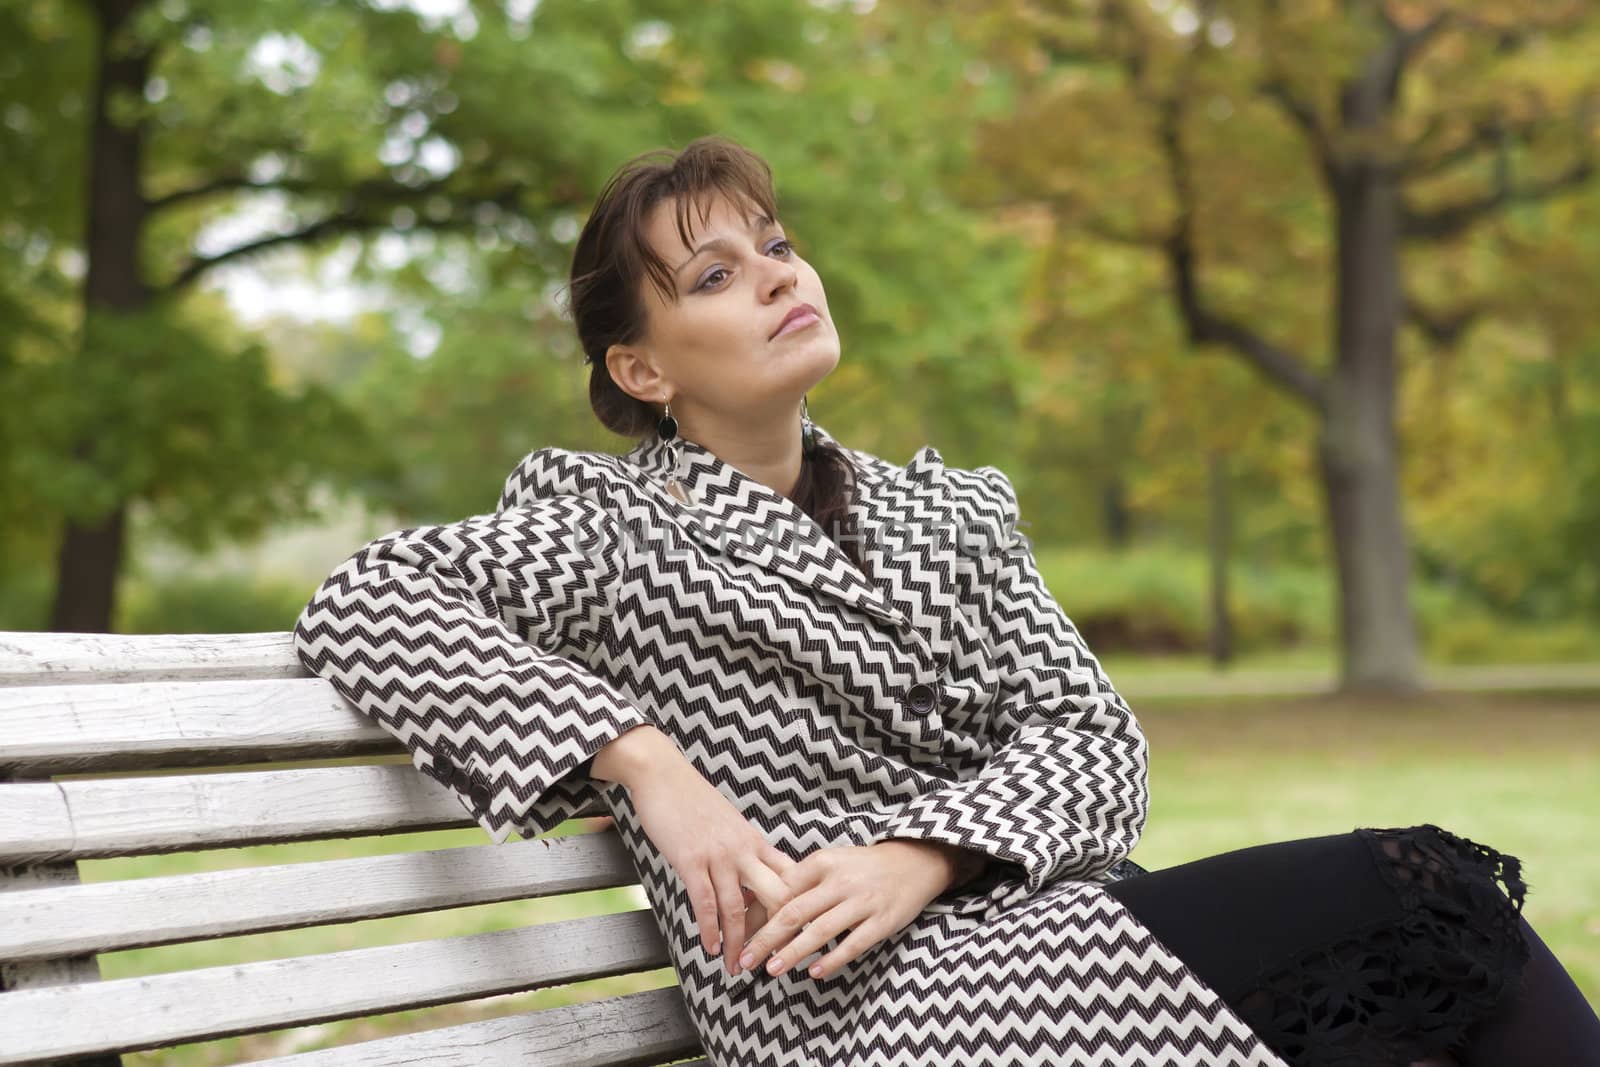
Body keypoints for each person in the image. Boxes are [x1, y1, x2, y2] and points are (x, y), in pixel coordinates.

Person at [292, 135, 1600, 1066]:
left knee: (1400, 1021)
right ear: (639, 367)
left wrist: (925, 852)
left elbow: (1096, 745)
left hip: (1038, 933)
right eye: (714, 277)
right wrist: (645, 763)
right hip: (846, 1008)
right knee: (1424, 894)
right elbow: (373, 596)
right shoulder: (610, 517)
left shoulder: (951, 512)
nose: (778, 277)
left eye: (778, 247)